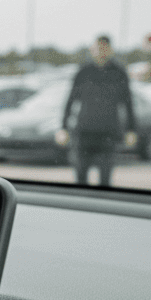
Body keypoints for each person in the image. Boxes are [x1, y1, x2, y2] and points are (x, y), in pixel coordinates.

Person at [56, 35, 136, 187]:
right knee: (80, 175)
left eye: (104, 48)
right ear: (93, 50)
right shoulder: (84, 72)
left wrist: (131, 129)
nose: (101, 52)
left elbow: (128, 103)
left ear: (110, 50)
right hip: (84, 132)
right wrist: (63, 128)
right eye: (98, 48)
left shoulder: (119, 72)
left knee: (105, 179)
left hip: (108, 134)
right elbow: (70, 100)